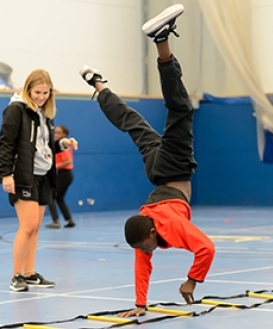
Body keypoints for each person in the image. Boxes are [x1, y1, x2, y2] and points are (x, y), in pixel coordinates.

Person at [80, 3, 215, 317]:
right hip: (155, 174)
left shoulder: (170, 226)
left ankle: (161, 42)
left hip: (173, 169)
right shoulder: (145, 230)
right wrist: (140, 305)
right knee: (133, 123)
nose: (144, 253)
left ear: (153, 233)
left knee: (180, 109)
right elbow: (142, 269)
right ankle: (98, 85)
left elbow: (206, 248)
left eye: (144, 247)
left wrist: (192, 281)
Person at [0, 69, 78, 292]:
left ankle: (29, 273)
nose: (41, 96)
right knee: (28, 226)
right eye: (37, 92)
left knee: (35, 228)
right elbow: (6, 144)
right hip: (24, 175)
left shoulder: (45, 114)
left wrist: (63, 145)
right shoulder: (16, 110)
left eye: (45, 92)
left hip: (44, 175)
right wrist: (6, 174)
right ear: (28, 89)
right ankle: (16, 275)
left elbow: (42, 146)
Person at [45, 125, 76, 229]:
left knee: (50, 196)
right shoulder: (54, 145)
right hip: (64, 175)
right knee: (59, 198)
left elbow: (68, 161)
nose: (55, 135)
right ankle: (69, 220)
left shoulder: (63, 145)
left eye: (58, 133)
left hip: (65, 174)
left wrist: (54, 166)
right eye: (55, 132)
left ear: (64, 135)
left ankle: (56, 221)